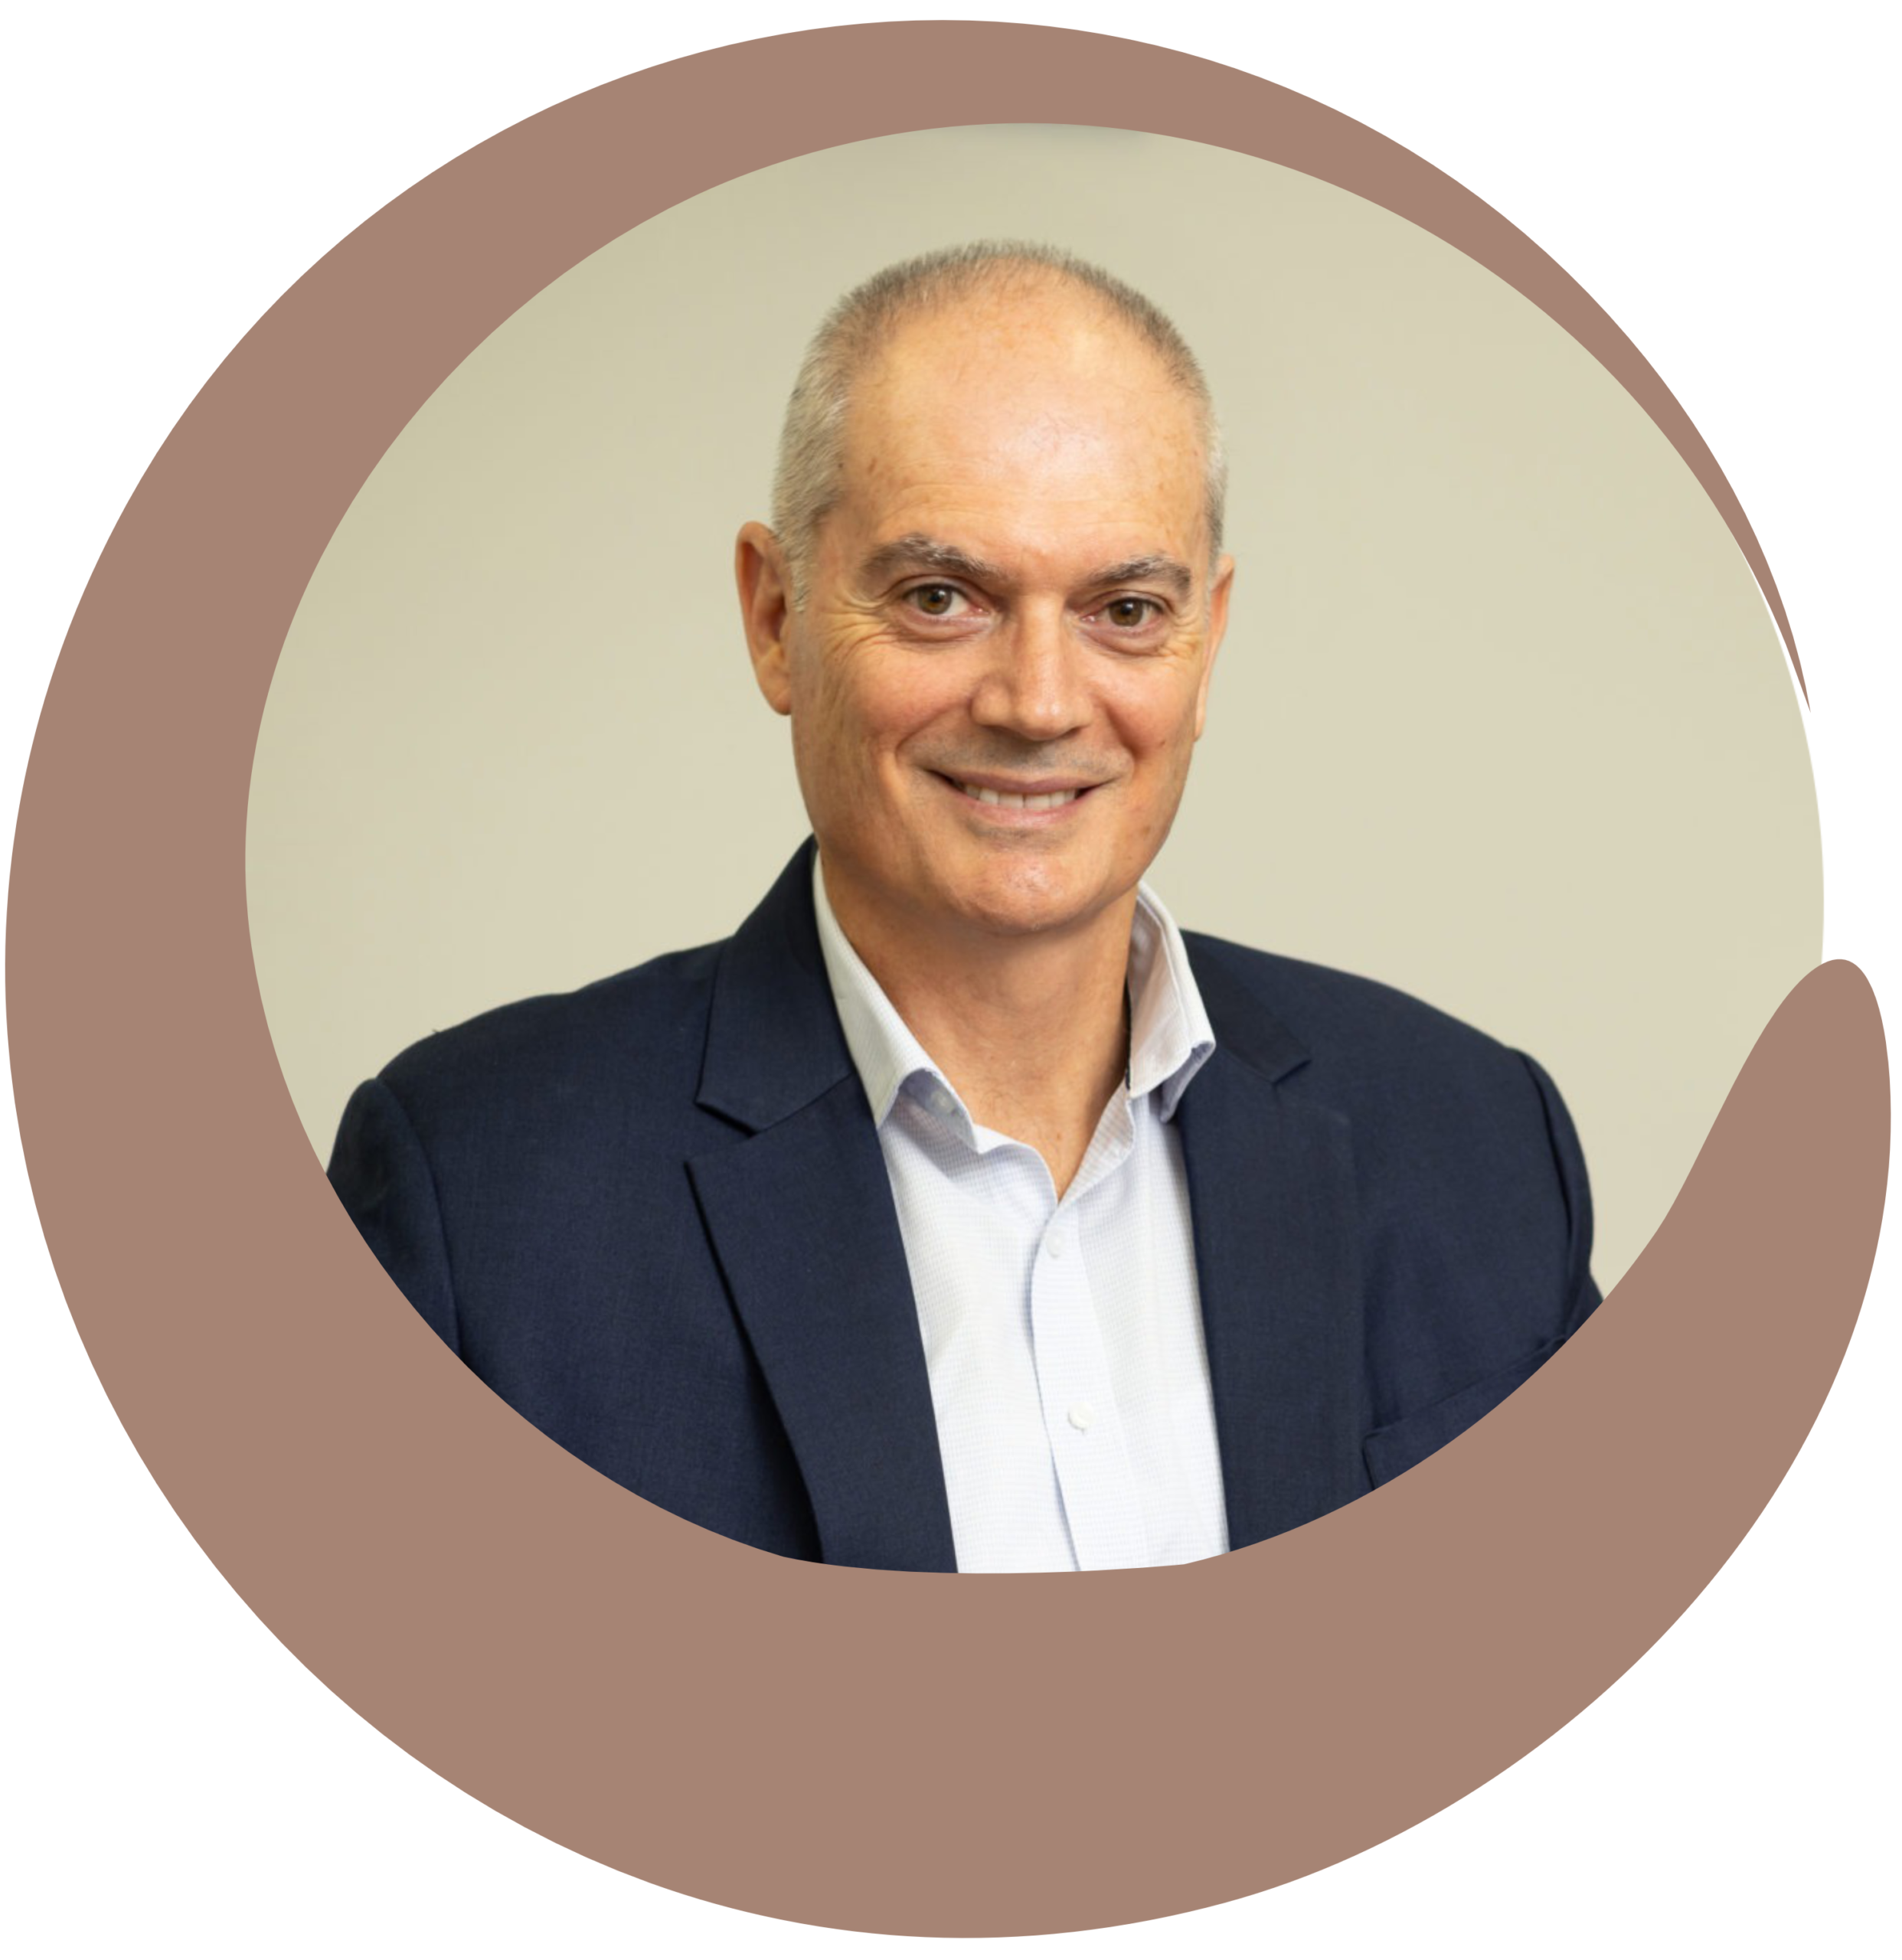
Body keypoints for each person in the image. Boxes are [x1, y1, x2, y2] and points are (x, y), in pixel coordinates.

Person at [328, 243, 1600, 1574]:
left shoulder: (1482, 1148)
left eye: (1125, 608)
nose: (1039, 702)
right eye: (942, 599)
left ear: (1208, 639)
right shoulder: (481, 1203)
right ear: (774, 615)